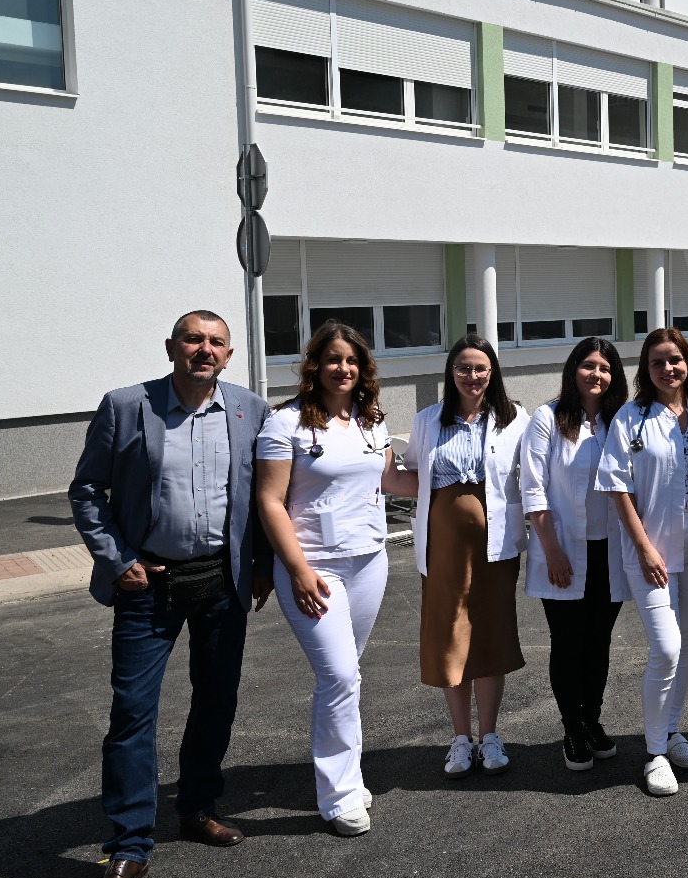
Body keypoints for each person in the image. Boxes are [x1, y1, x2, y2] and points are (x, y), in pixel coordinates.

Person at [69, 311, 272, 878]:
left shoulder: (249, 409)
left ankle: (198, 806)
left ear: (228, 354)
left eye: (216, 342)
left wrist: (261, 563)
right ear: (171, 347)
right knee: (133, 713)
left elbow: (264, 494)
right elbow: (87, 489)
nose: (204, 350)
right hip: (148, 583)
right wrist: (117, 559)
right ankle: (128, 848)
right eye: (192, 339)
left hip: (221, 580)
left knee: (216, 699)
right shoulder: (126, 406)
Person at [255, 320, 407, 836]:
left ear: (364, 367)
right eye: (334, 359)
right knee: (339, 676)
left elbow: (391, 479)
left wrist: (460, 477)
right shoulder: (286, 424)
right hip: (313, 568)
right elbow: (269, 501)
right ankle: (340, 796)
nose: (344, 368)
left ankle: (346, 775)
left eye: (352, 360)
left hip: (368, 563)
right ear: (315, 365)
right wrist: (297, 569)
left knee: (346, 675)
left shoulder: (371, 421)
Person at [598, 328, 688, 796]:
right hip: (650, 555)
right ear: (645, 370)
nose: (668, 369)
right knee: (667, 648)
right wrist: (644, 547)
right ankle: (654, 754)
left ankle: (671, 732)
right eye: (657, 362)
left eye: (675, 359)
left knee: (685, 645)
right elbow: (617, 487)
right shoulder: (631, 417)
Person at [404, 334, 528, 779]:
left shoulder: (514, 418)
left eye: (479, 368)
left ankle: (490, 735)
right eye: (463, 368)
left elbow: (533, 473)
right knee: (449, 632)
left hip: (495, 545)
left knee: (491, 632)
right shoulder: (427, 420)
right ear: (450, 372)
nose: (471, 376)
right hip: (443, 545)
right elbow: (412, 475)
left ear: (492, 372)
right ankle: (460, 738)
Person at [519, 337, 629, 771]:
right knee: (567, 644)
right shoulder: (547, 418)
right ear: (573, 370)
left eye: (605, 367)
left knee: (599, 643)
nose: (596, 374)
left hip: (610, 552)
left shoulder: (621, 420)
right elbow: (533, 489)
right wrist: (552, 551)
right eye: (588, 365)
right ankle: (572, 728)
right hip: (562, 549)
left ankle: (592, 721)